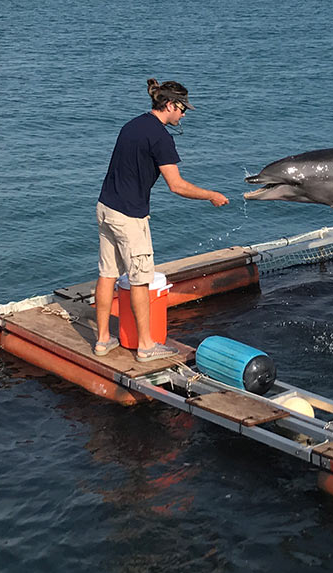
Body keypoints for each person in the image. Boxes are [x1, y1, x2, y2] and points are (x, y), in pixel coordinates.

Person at [92, 78, 228, 362]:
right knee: (140, 280)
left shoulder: (132, 125)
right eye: (182, 109)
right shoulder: (160, 137)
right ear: (169, 105)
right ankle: (146, 346)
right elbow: (176, 185)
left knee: (107, 274)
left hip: (106, 207)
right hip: (130, 216)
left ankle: (103, 340)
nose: (184, 114)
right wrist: (211, 195)